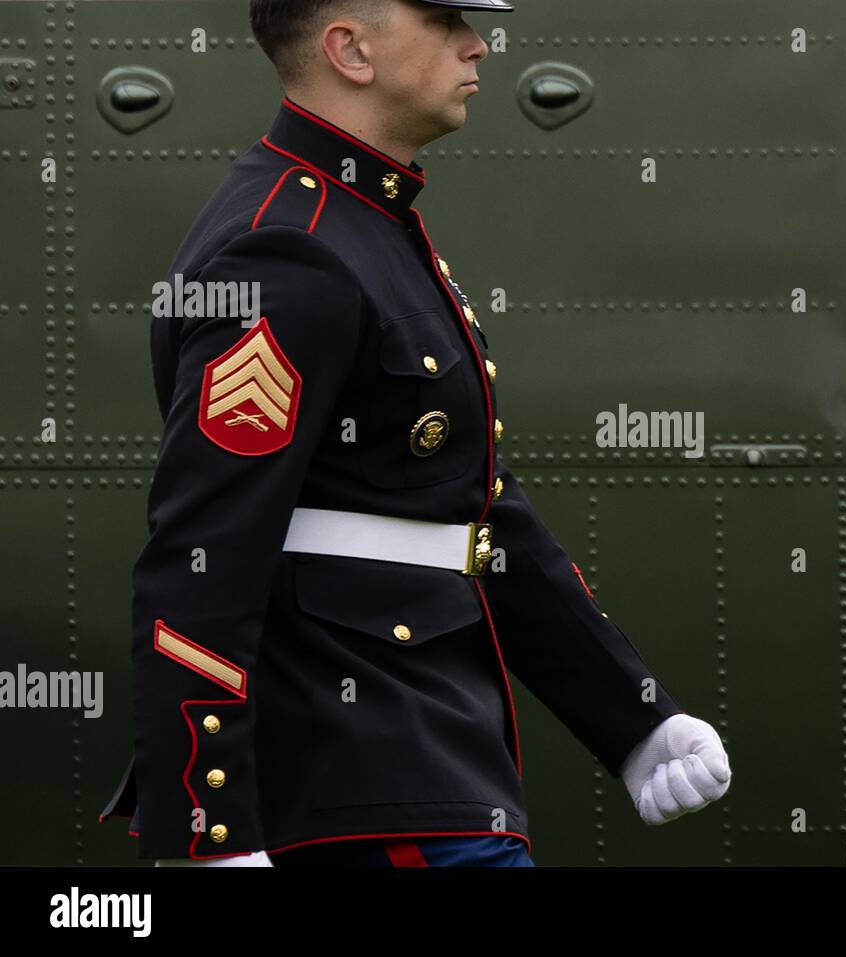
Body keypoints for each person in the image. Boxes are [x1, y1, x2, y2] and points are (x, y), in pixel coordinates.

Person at [96, 0, 731, 867]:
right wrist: (211, 837)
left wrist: (635, 717)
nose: (476, 43)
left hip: (423, 776)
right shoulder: (284, 249)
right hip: (361, 794)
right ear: (349, 48)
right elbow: (203, 555)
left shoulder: (361, 226)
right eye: (442, 19)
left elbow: (467, 512)